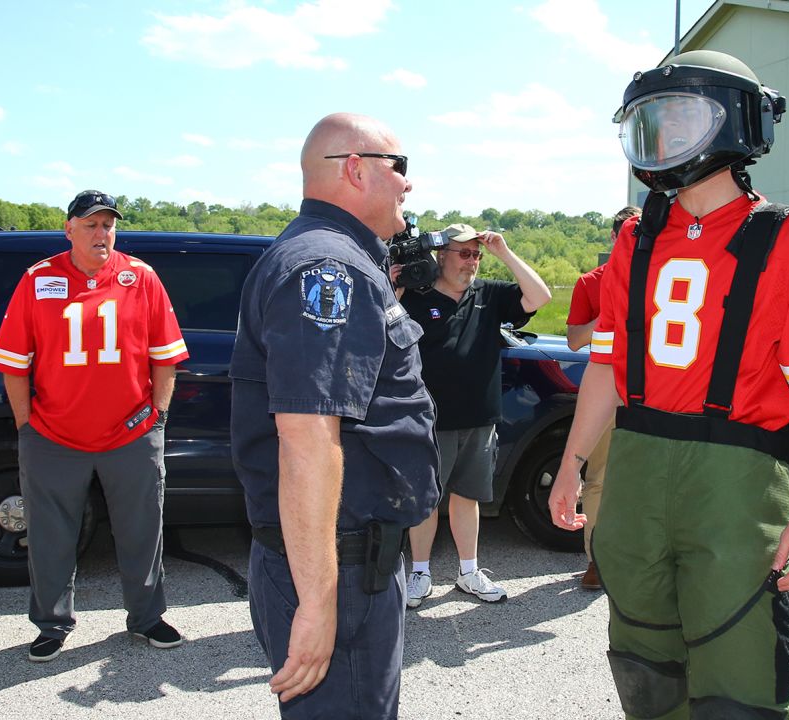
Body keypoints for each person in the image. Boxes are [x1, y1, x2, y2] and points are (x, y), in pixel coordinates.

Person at [548, 51, 789, 718]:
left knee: (736, 667)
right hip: (636, 468)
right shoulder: (638, 236)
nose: (661, 137)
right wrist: (572, 462)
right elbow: (606, 363)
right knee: (642, 659)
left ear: (735, 124)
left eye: (680, 118)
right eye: (650, 121)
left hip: (738, 483)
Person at [229, 112, 439, 719]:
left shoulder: (344, 259)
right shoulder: (329, 268)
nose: (408, 184)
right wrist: (318, 604)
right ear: (354, 168)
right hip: (336, 567)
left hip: (347, 559)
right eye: (399, 166)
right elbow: (307, 439)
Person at [0, 190, 189, 662]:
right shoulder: (38, 279)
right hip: (54, 436)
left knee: (143, 529)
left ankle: (146, 617)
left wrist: (157, 418)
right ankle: (51, 624)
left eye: (108, 225)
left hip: (131, 435)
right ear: (69, 228)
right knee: (49, 535)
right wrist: (26, 428)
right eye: (91, 224)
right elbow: (14, 364)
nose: (101, 233)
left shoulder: (140, 277)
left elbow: (166, 357)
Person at [398, 222, 550, 607]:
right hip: (429, 419)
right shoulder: (415, 296)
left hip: (479, 418)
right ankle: (419, 573)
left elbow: (540, 297)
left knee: (468, 497)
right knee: (426, 500)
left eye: (476, 255)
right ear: (441, 256)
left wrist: (504, 253)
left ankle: (468, 572)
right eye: (463, 254)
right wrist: (393, 282)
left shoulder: (489, 294)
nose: (472, 262)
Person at [564, 205, 640, 590]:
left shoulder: (663, 272)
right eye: (627, 232)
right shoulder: (591, 282)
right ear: (614, 238)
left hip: (656, 393)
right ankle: (595, 560)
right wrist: (610, 314)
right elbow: (575, 340)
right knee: (599, 480)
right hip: (609, 390)